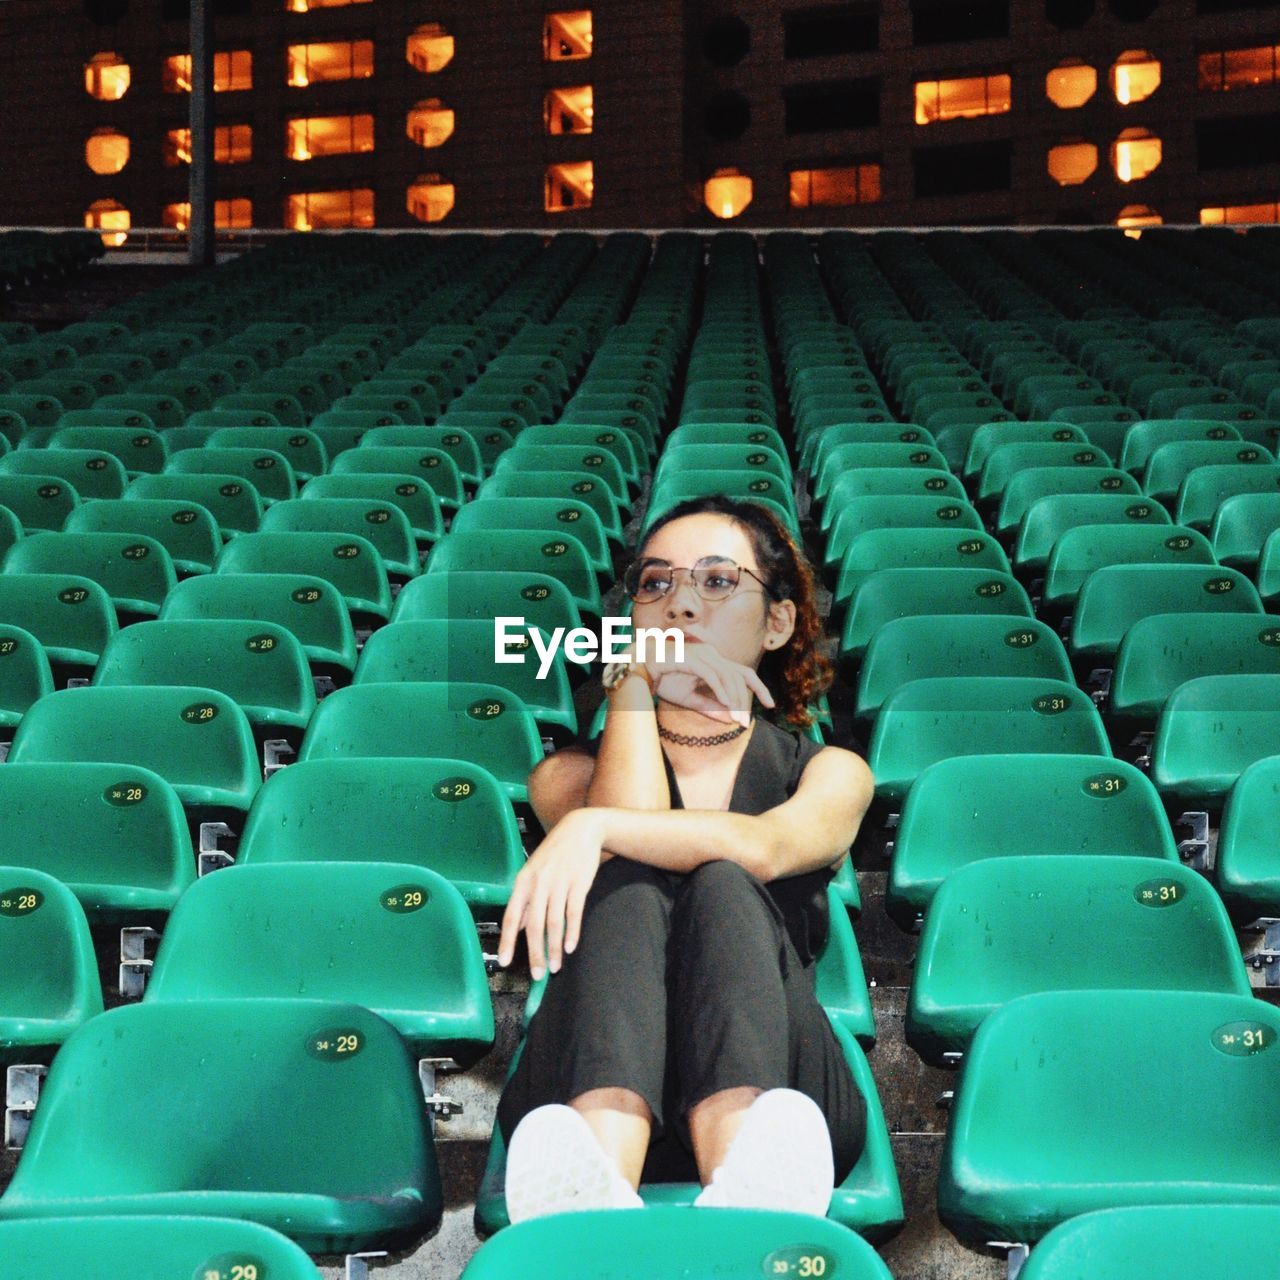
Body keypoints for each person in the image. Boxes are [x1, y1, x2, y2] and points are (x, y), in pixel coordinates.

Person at [494, 494, 876, 1222]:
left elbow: (763, 849)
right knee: (628, 884)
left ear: (779, 621)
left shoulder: (830, 772)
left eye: (718, 581)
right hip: (578, 1107)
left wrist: (593, 830)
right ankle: (592, 1210)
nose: (681, 606)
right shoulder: (563, 776)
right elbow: (630, 828)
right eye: (656, 583)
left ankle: (747, 1195)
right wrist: (633, 685)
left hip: (783, 1108)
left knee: (725, 881)